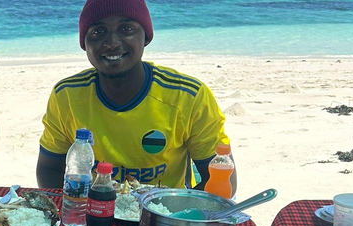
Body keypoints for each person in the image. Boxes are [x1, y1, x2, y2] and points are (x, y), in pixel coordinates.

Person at [36, 0, 235, 193]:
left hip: (165, 215)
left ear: (146, 37)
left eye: (127, 29)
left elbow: (222, 180)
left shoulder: (188, 96)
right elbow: (49, 168)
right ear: (84, 43)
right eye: (98, 31)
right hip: (94, 212)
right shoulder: (67, 96)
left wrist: (170, 214)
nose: (112, 43)